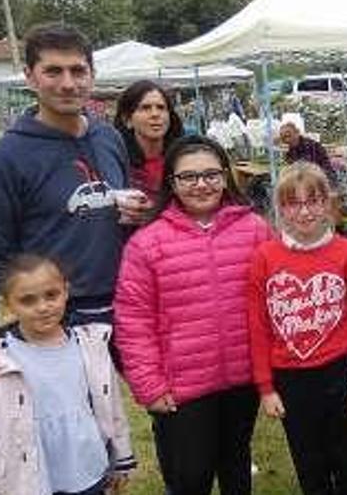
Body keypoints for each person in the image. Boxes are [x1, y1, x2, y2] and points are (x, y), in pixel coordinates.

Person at [0, 22, 153, 386]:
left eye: (78, 70)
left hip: (125, 304)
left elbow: (120, 219)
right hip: (57, 315)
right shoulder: (6, 157)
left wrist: (135, 219)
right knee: (67, 427)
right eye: (53, 71)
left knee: (162, 402)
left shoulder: (108, 137)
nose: (68, 83)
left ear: (92, 75)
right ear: (30, 77)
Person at [115, 136, 273, 495]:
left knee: (236, 467)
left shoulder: (255, 230)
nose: (201, 184)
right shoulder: (147, 243)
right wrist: (150, 386)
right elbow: (133, 322)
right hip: (182, 388)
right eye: (188, 177)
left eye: (211, 174)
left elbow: (271, 297)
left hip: (241, 378)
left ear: (225, 177)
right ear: (171, 183)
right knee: (191, 476)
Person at [0, 254, 136, 495]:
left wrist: (121, 458)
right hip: (29, 481)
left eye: (51, 295)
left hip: (90, 472)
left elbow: (111, 407)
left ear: (66, 291)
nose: (43, 307)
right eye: (28, 300)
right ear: (8, 303)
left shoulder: (91, 345)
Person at [247, 161, 347, 495]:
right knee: (309, 463)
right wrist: (266, 388)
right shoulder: (265, 258)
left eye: (313, 201)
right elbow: (258, 327)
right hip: (292, 379)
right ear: (280, 209)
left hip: (343, 373)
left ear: (328, 204)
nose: (304, 211)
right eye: (292, 203)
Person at [115, 79, 184, 198]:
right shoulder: (116, 164)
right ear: (127, 120)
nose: (155, 114)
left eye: (161, 107)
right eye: (145, 108)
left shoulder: (184, 160)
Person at [279, 112, 337, 186]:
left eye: (288, 135)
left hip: (323, 180)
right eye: (283, 137)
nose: (286, 139)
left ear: (297, 132)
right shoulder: (290, 151)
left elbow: (310, 168)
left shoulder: (310, 146)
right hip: (306, 180)